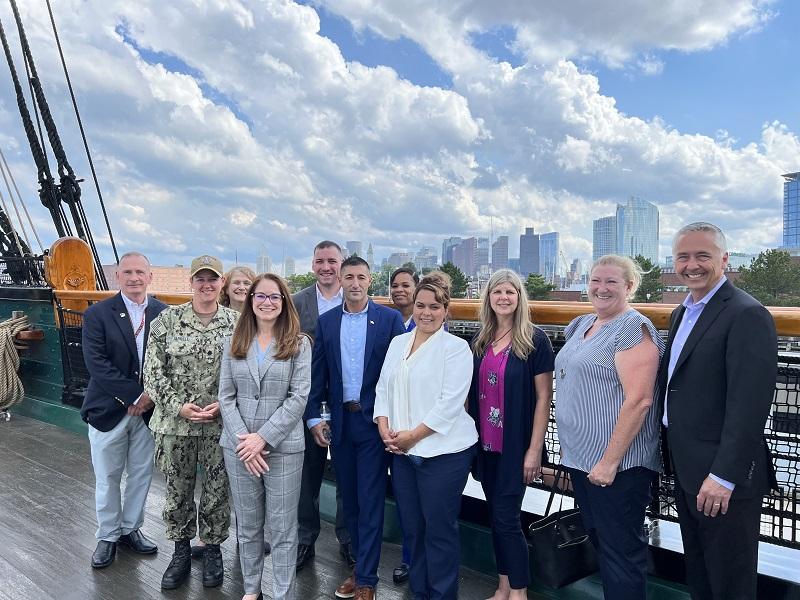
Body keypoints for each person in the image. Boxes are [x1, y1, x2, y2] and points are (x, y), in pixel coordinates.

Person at [658, 223, 777, 600]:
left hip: (722, 478)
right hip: (688, 468)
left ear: (724, 260)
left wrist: (724, 476)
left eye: (702, 256)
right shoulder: (682, 313)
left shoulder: (747, 314)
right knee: (700, 573)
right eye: (683, 257)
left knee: (730, 582)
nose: (691, 265)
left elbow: (750, 405)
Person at [554, 255, 663, 600]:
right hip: (582, 460)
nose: (601, 288)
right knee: (602, 544)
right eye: (595, 280)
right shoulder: (580, 324)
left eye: (611, 282)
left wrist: (610, 461)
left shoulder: (633, 328)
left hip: (618, 466)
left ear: (630, 287)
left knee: (621, 554)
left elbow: (640, 400)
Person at [305, 255, 405, 600]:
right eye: (350, 277)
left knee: (372, 500)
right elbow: (319, 375)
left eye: (362, 277)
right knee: (350, 501)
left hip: (375, 424)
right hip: (341, 424)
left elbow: (398, 377)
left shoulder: (390, 320)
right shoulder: (328, 322)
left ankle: (366, 580)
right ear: (341, 281)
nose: (355, 283)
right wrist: (314, 417)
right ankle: (360, 567)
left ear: (370, 280)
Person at [375, 272, 477, 600]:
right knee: (413, 529)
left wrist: (411, 437)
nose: (426, 312)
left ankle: (443, 594)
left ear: (447, 310)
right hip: (402, 454)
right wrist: (383, 427)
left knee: (440, 530)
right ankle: (419, 592)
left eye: (435, 306)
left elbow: (449, 404)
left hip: (444, 455)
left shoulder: (456, 349)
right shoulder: (397, 343)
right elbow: (383, 389)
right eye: (420, 305)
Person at [143, 255, 239, 590]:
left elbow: (245, 374)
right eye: (200, 279)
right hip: (175, 425)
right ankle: (181, 551)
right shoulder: (167, 321)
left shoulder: (237, 323)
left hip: (219, 425)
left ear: (222, 283)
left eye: (213, 279)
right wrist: (178, 407)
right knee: (177, 491)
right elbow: (152, 374)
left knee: (217, 491)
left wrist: (224, 406)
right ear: (191, 283)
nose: (206, 285)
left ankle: (213, 550)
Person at [219, 273, 311, 600]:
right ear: (251, 300)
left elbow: (298, 398)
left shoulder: (299, 344)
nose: (267, 302)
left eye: (274, 297)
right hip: (239, 448)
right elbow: (226, 397)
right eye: (261, 296)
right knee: (247, 525)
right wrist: (246, 439)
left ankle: (282, 593)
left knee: (283, 528)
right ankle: (251, 589)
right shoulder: (233, 343)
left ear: (284, 302)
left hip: (283, 448)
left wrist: (263, 439)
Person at [467, 269, 554, 600]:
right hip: (486, 446)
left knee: (506, 518)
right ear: (488, 298)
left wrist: (535, 451)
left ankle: (519, 592)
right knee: (497, 517)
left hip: (516, 447)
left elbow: (544, 398)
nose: (503, 297)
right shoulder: (480, 340)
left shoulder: (535, 341)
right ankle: (503, 587)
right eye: (497, 292)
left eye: (510, 292)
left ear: (520, 298)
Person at [81, 252, 167, 569]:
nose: (134, 278)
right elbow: (97, 364)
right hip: (109, 410)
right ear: (118, 277)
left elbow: (168, 362)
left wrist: (149, 398)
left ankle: (131, 529)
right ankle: (107, 535)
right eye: (127, 272)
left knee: (141, 474)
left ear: (149, 277)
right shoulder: (98, 315)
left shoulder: (164, 313)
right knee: (108, 476)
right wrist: (135, 396)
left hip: (148, 413)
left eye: (140, 272)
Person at [292, 241, 354, 570]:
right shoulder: (296, 302)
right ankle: (305, 538)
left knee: (347, 475)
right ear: (313, 264)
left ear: (342, 264)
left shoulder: (356, 300)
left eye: (332, 260)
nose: (326, 266)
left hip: (347, 402)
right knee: (307, 476)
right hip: (307, 401)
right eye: (320, 261)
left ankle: (348, 538)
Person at [390, 267, 419, 331]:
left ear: (417, 289)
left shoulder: (425, 319)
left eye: (405, 286)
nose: (399, 290)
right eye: (395, 286)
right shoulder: (385, 319)